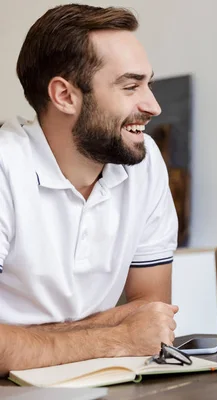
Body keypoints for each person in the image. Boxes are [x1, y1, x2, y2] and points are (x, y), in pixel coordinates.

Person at [0, 4, 178, 374]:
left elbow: (151, 319)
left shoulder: (144, 163)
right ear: (65, 96)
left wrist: (28, 342)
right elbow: (133, 335)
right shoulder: (6, 167)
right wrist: (113, 337)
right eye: (130, 86)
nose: (154, 106)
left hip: (99, 380)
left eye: (149, 84)